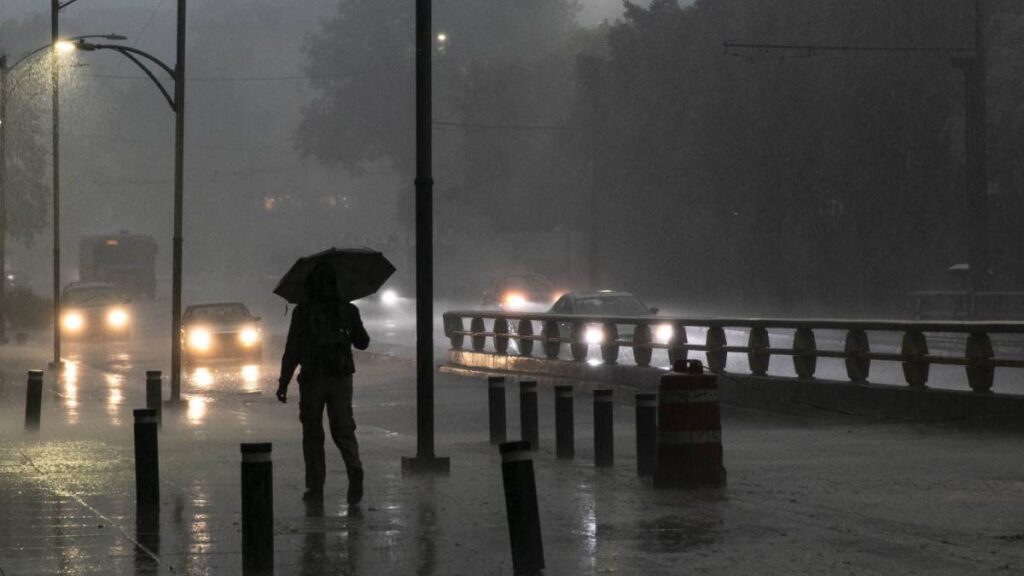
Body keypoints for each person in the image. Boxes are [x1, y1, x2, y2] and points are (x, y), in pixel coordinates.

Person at [276, 263, 370, 504]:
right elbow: (363, 343)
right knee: (343, 428)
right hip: (341, 377)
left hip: (312, 379)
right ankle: (354, 466)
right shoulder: (348, 309)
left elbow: (292, 350)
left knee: (312, 433)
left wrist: (283, 382)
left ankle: (315, 487)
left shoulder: (302, 312)